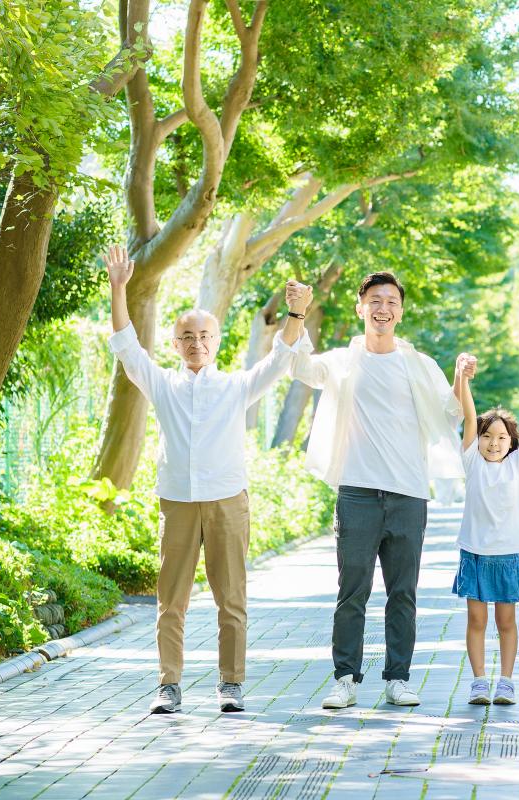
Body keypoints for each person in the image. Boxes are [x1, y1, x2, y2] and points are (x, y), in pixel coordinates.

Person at [104, 245, 310, 714]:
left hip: (227, 503)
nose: (196, 342)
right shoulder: (161, 384)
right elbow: (126, 346)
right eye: (187, 336)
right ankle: (168, 686)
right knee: (169, 602)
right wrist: (119, 287)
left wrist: (296, 312)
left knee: (231, 600)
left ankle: (231, 684)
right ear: (176, 345)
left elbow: (280, 359)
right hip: (177, 502)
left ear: (216, 341)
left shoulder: (236, 386)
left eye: (204, 335)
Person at [288, 272, 467, 710]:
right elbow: (298, 366)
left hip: (407, 494)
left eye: (390, 301)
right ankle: (345, 678)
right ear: (361, 308)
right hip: (357, 493)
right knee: (352, 592)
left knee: (403, 594)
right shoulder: (342, 362)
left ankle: (398, 679)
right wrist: (297, 313)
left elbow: (454, 413)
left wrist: (462, 375)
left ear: (400, 312)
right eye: (374, 300)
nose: (382, 308)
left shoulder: (419, 365)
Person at [453, 361, 519, 705]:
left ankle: (507, 682)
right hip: (474, 553)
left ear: (511, 442)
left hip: (507, 556)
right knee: (476, 619)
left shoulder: (518, 464)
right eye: (487, 436)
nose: (493, 442)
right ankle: (479, 681)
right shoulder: (472, 462)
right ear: (478, 441)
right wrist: (464, 379)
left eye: (501, 437)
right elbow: (469, 417)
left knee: (506, 621)